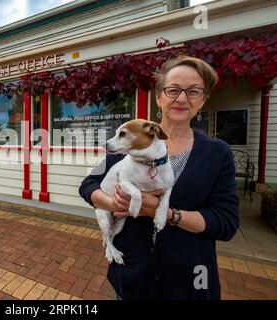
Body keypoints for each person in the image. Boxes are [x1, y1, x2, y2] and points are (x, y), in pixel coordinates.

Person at [79, 55, 239, 300]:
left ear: (203, 99)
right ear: (159, 96)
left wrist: (162, 212)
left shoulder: (217, 153)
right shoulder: (130, 145)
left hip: (190, 283)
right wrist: (115, 203)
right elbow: (88, 186)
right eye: (173, 89)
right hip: (133, 278)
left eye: (193, 91)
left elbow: (225, 222)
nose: (182, 98)